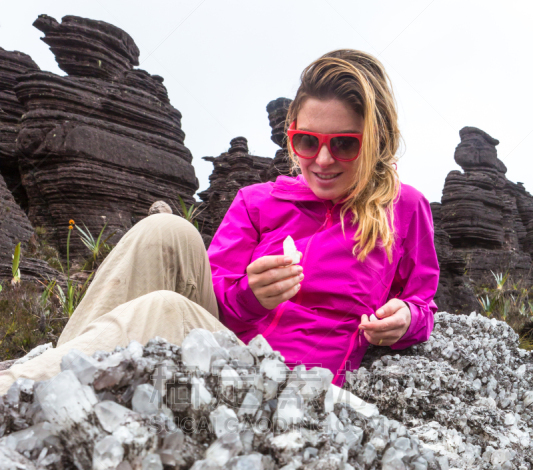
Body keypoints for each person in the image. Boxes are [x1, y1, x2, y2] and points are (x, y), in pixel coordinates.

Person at [0, 49, 439, 395]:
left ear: (377, 138)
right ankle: (44, 387)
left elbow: (422, 303)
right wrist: (252, 296)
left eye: (345, 145)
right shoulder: (257, 201)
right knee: (165, 229)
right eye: (306, 141)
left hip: (284, 381)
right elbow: (217, 304)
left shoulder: (403, 209)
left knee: (165, 308)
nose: (322, 161)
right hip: (222, 342)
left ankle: (19, 390)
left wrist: (405, 319)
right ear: (291, 133)